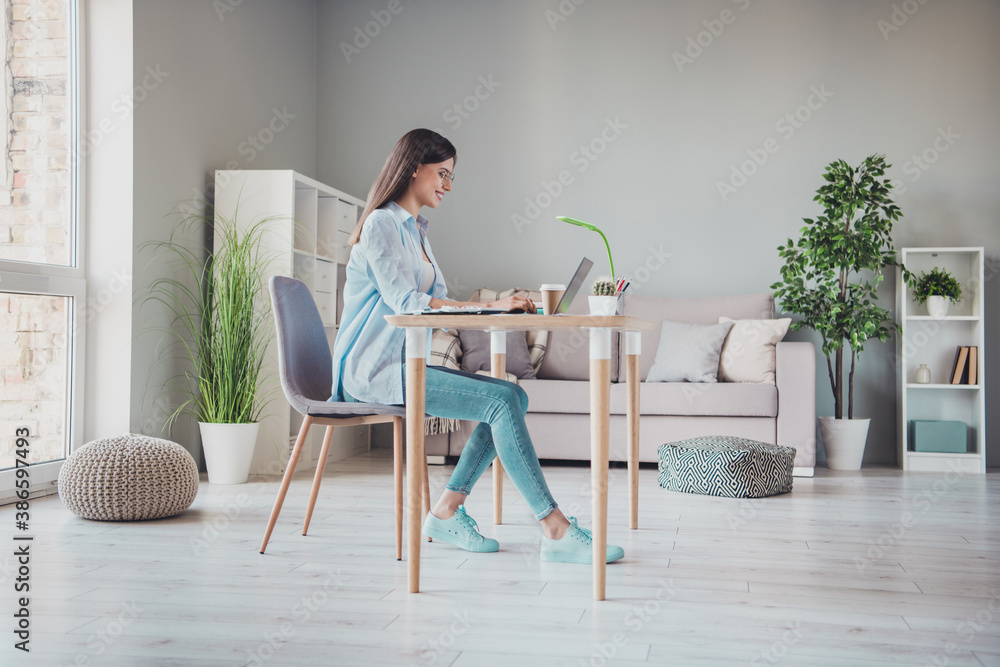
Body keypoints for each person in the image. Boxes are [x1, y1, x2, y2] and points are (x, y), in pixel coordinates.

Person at [330, 128, 623, 564]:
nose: (448, 186)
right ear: (414, 168)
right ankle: (554, 528)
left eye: (452, 177)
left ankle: (447, 512)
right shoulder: (381, 226)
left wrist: (497, 309)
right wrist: (495, 306)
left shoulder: (419, 234)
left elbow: (443, 304)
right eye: (442, 174)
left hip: (406, 366)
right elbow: (408, 304)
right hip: (375, 372)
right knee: (503, 401)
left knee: (512, 396)